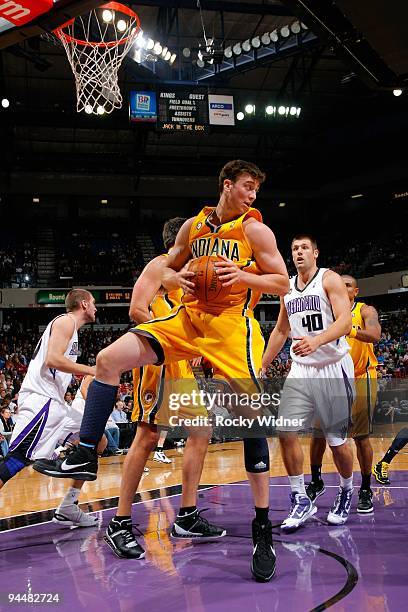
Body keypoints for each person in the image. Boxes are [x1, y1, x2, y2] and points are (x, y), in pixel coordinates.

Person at [34, 160, 289, 582]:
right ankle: (84, 452)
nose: (252, 195)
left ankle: (262, 527)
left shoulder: (255, 230)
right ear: (227, 185)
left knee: (250, 420)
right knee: (106, 361)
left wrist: (242, 274)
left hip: (229, 328)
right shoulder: (194, 227)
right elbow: (166, 268)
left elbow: (281, 282)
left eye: (256, 190)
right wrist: (178, 277)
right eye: (246, 187)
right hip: (186, 321)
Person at [262, 235, 355, 531]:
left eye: (304, 248)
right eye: (294, 249)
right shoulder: (287, 287)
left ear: (315, 252)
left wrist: (317, 341)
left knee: (336, 442)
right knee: (285, 431)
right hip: (301, 368)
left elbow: (345, 322)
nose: (299, 252)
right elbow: (280, 329)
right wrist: (262, 363)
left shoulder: (329, 279)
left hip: (332, 366)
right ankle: (300, 498)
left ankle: (345, 490)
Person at [0, 289, 98, 528]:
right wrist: (92, 370)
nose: (96, 308)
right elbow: (52, 360)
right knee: (15, 460)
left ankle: (68, 506)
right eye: (93, 303)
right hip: (41, 402)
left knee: (95, 441)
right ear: (84, 304)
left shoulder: (71, 330)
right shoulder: (65, 322)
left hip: (57, 406)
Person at [307, 275, 381, 513]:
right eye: (340, 284)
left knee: (361, 437)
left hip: (361, 376)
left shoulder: (365, 310)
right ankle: (316, 480)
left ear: (355, 291)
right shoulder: (326, 311)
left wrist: (348, 329)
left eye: (348, 285)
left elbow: (375, 335)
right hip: (332, 375)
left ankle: (366, 488)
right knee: (318, 431)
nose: (343, 287)